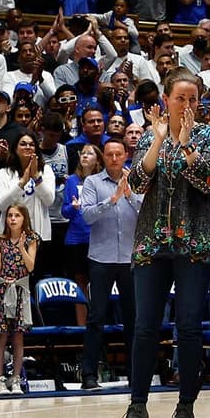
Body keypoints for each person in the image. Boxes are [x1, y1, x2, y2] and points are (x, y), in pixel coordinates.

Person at [121, 69, 210, 418]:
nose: (187, 105)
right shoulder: (150, 135)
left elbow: (208, 181)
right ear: (165, 100)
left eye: (192, 99)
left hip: (194, 243)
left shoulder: (209, 136)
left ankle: (186, 408)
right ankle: (137, 407)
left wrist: (184, 144)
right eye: (180, 98)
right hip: (153, 243)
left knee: (188, 326)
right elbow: (137, 182)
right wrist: (158, 141)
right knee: (145, 326)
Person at [79, 140, 140, 393]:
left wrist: (130, 195)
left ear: (126, 155)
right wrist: (112, 200)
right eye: (110, 154)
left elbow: (146, 213)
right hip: (101, 258)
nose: (114, 158)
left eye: (118, 154)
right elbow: (87, 216)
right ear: (103, 157)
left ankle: (136, 375)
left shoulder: (137, 180)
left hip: (129, 259)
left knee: (133, 319)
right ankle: (89, 374)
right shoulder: (92, 183)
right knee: (96, 317)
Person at [0, 204, 39, 396]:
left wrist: (21, 248)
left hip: (20, 291)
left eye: (17, 215)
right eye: (10, 215)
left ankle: (16, 379)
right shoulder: (1, 239)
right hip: (3, 291)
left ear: (24, 218)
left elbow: (30, 267)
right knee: (1, 336)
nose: (13, 219)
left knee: (18, 336)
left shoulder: (31, 239)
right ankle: (0, 380)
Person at [61, 144, 100, 325]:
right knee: (79, 283)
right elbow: (65, 211)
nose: (84, 156)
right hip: (76, 238)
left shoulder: (101, 180)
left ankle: (97, 323)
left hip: (97, 237)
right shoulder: (71, 180)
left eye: (89, 153)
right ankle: (82, 327)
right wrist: (73, 207)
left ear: (97, 159)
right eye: (82, 153)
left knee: (98, 282)